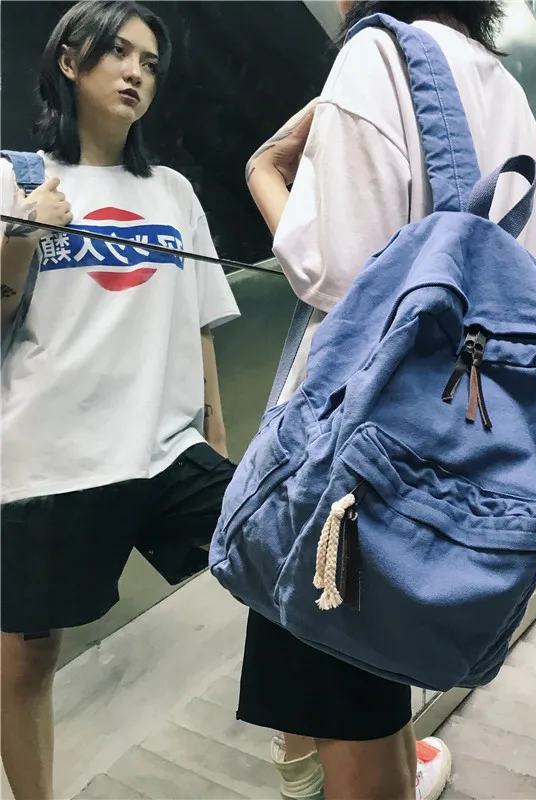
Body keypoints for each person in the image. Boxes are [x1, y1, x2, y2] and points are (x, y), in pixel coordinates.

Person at [242, 2, 536, 799]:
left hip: (349, 462)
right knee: (369, 678)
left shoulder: (375, 55)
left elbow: (340, 277)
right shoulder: (506, 87)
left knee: (346, 713)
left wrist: (264, 175)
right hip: (450, 435)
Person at [0, 3, 239, 798]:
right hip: (50, 460)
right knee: (27, 659)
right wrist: (23, 234)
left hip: (168, 453)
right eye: (119, 54)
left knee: (281, 574)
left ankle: (305, 754)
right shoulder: (15, 179)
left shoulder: (172, 193)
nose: (137, 72)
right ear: (71, 62)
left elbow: (199, 321)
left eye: (151, 62)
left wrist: (216, 431)